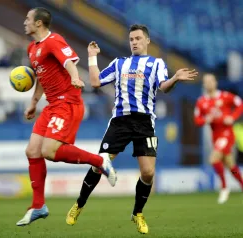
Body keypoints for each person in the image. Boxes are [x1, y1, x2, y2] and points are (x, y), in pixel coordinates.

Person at [66, 24, 198, 234]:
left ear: (147, 41)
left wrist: (174, 79)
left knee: (148, 172)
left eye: (138, 38)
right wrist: (92, 56)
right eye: (131, 39)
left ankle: (137, 213)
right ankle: (79, 205)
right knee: (100, 164)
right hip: (121, 121)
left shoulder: (157, 64)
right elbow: (95, 81)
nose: (134, 42)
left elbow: (164, 86)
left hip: (145, 122)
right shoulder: (120, 63)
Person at [16, 7, 117, 226]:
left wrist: (74, 78)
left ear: (39, 23)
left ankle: (100, 161)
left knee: (49, 151)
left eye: (28, 19)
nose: (25, 22)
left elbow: (68, 62)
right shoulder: (32, 49)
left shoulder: (54, 40)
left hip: (68, 102)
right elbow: (42, 77)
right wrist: (33, 103)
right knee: (32, 150)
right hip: (52, 105)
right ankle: (38, 206)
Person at [194, 73, 243, 204]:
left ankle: (224, 188)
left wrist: (232, 117)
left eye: (211, 81)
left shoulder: (225, 96)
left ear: (215, 82)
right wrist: (205, 119)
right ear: (204, 84)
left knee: (213, 159)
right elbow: (197, 120)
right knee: (230, 165)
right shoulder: (202, 102)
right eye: (206, 81)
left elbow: (240, 104)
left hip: (227, 133)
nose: (209, 83)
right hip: (215, 136)